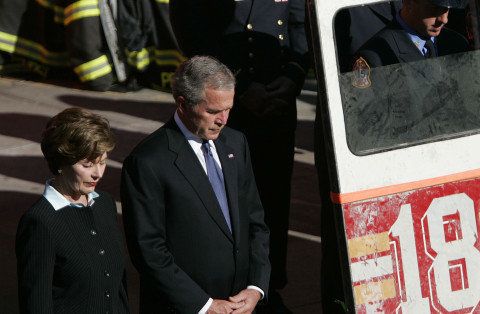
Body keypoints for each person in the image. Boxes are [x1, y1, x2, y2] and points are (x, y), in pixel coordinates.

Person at [169, 2, 307, 311]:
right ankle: (231, 288)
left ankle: (268, 285)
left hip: (277, 100)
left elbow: (300, 26)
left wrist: (292, 79)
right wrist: (242, 86)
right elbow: (193, 31)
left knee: (273, 197)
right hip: (228, 106)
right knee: (224, 199)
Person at [121, 56, 270, 314]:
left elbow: (255, 221)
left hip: (241, 304)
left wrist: (256, 286)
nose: (223, 120)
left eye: (229, 109)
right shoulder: (148, 162)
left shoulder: (236, 144)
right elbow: (149, 250)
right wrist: (203, 305)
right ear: (182, 104)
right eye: (213, 111)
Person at [15, 108, 129, 313]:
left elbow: (118, 287)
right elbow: (36, 304)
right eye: (87, 165)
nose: (98, 174)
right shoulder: (40, 222)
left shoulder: (105, 204)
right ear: (62, 162)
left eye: (102, 162)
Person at [354, 0, 469, 68]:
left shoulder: (457, 44)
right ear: (409, 3)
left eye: (447, 10)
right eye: (434, 9)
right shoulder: (375, 57)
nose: (444, 20)